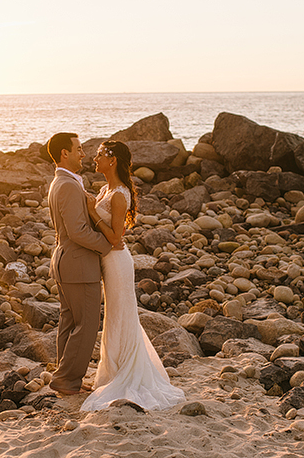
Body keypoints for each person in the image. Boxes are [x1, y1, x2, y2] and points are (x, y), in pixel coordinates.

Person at [80, 140, 186, 411]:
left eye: (99, 155)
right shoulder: (106, 189)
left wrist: (93, 212)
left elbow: (116, 238)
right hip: (107, 261)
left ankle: (122, 373)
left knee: (120, 314)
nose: (95, 158)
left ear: (112, 160)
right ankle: (113, 371)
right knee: (115, 315)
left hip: (117, 262)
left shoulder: (118, 194)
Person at [46, 132, 114, 395]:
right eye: (78, 149)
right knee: (85, 326)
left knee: (69, 323)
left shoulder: (61, 182)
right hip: (78, 264)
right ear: (65, 153)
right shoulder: (67, 185)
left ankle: (67, 378)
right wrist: (107, 246)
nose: (83, 154)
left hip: (66, 263)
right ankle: (66, 379)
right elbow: (77, 231)